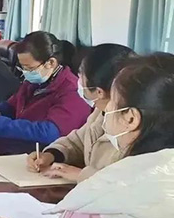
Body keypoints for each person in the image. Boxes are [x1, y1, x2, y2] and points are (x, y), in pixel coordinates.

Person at [0, 53, 174, 218]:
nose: (106, 108)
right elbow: (78, 139)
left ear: (131, 118)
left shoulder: (100, 207)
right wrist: (53, 153)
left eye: (113, 102)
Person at [26, 43, 136, 182]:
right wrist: (51, 155)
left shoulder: (131, 127)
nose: (77, 81)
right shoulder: (100, 110)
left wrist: (81, 174)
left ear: (99, 92)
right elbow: (78, 141)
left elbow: (123, 183)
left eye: (80, 75)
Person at [0, 31, 90, 145]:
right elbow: (12, 105)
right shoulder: (33, 82)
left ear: (51, 63)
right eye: (23, 68)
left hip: (45, 153)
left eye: (30, 68)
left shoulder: (72, 91)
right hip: (19, 146)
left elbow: (49, 133)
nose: (25, 73)